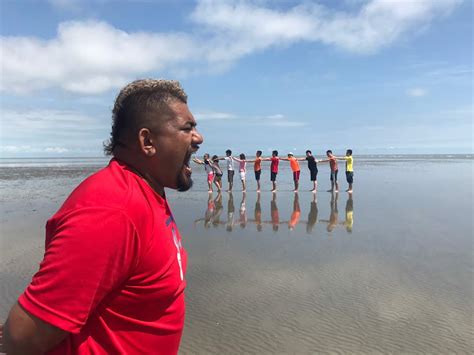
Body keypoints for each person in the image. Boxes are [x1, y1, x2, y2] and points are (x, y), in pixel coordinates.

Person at [1, 79, 203, 355]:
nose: (198, 138)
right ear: (147, 141)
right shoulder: (112, 209)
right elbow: (21, 336)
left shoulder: (148, 193)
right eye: (187, 128)